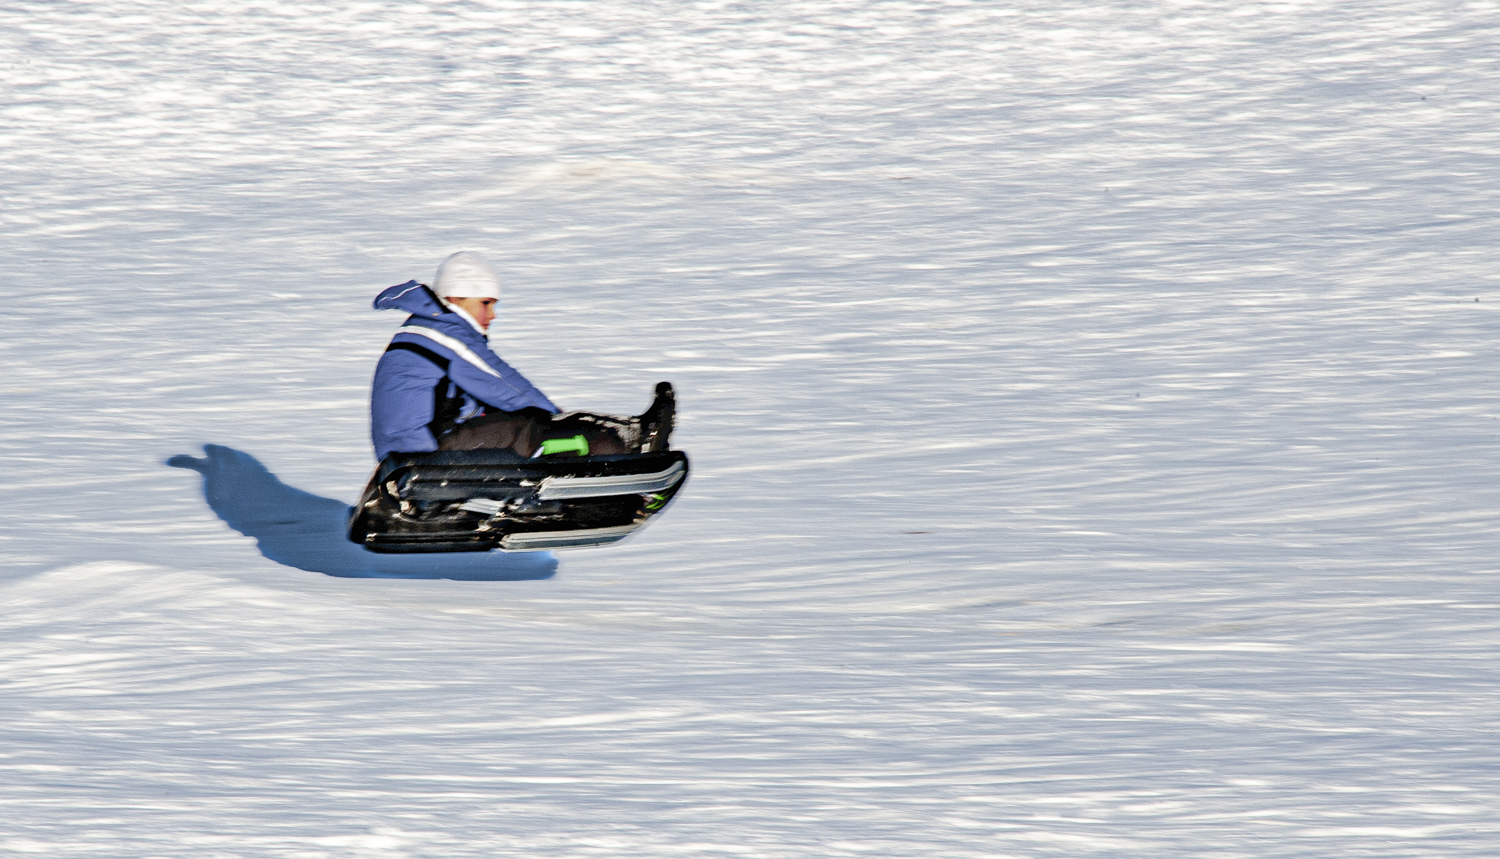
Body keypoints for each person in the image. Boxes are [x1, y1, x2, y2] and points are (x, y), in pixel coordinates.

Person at [369, 251, 652, 461]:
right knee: (533, 430)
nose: (492, 315)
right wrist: (559, 420)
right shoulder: (444, 334)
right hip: (426, 452)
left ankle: (628, 437)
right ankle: (629, 446)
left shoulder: (419, 329)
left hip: (405, 452)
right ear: (456, 299)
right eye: (486, 303)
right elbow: (504, 384)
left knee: (509, 421)